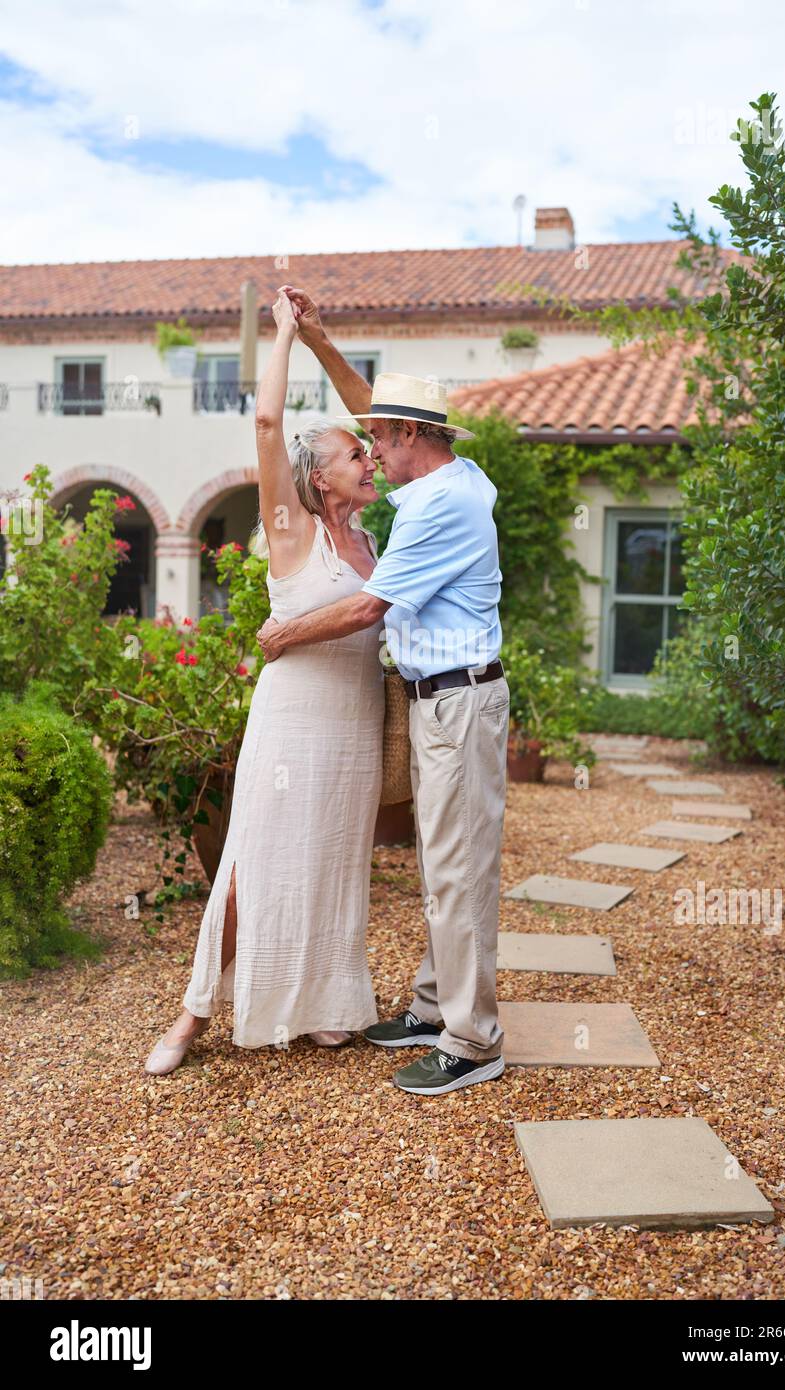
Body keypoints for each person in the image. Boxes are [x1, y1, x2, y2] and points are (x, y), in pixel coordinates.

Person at [256, 285, 509, 1097]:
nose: (370, 448)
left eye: (378, 439)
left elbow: (367, 607)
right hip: (445, 697)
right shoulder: (455, 473)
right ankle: (436, 1007)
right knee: (444, 861)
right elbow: (382, 410)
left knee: (458, 870)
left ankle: (473, 1042)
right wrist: (323, 342)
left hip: (459, 700)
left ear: (409, 438)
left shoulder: (438, 508)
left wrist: (277, 637)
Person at [144, 288, 384, 1074]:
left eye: (368, 452)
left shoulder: (374, 543)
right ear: (320, 479)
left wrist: (323, 336)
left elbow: (391, 425)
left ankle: (319, 1003)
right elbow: (267, 425)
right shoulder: (291, 530)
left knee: (335, 854)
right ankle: (192, 1014)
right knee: (257, 860)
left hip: (355, 717)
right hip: (293, 718)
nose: (370, 460)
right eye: (356, 455)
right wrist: (281, 333)